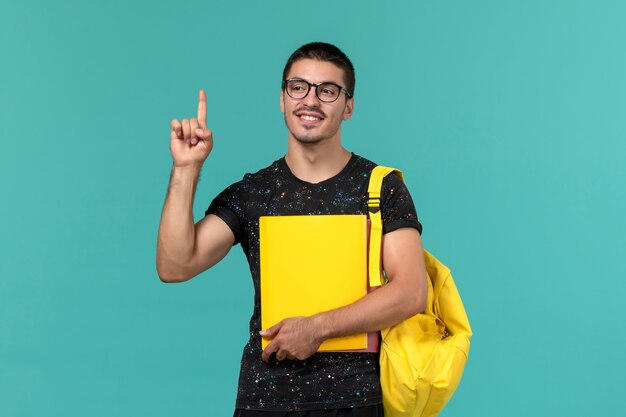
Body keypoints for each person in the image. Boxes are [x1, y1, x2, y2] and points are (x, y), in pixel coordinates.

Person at [157, 42, 428, 417]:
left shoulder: (380, 188)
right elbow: (175, 265)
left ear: (348, 106)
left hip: (356, 401)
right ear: (282, 99)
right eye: (298, 87)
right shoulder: (253, 193)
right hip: (266, 401)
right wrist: (186, 169)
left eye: (327, 90)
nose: (311, 100)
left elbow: (412, 291)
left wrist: (317, 328)